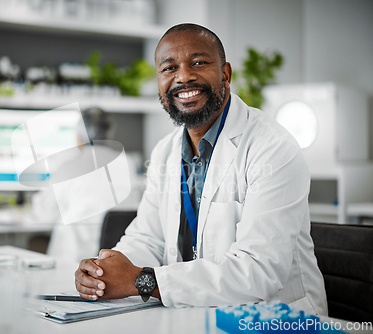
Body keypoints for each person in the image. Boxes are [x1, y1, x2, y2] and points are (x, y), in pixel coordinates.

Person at [74, 23, 327, 315]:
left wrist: (142, 281)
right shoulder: (164, 152)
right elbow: (148, 238)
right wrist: (104, 271)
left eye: (198, 62)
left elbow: (259, 270)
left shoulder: (272, 147)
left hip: (275, 319)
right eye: (169, 68)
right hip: (197, 312)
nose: (183, 76)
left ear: (226, 74)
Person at [28, 107, 140, 264]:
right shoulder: (127, 163)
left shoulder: (68, 165)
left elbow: (42, 215)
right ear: (109, 134)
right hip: (113, 262)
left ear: (79, 138)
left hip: (73, 263)